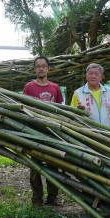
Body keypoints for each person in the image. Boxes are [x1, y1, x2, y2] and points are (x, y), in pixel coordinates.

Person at [23, 56, 64, 207]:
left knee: (54, 164)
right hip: (34, 131)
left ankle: (53, 197)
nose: (41, 68)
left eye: (43, 66)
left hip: (52, 131)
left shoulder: (55, 87)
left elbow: (61, 109)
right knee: (35, 166)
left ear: (48, 68)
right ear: (34, 69)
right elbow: (24, 109)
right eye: (38, 66)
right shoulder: (28, 87)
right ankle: (37, 198)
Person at [70, 63, 110, 127]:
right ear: (86, 76)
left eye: (96, 73)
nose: (93, 76)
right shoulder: (78, 93)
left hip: (108, 132)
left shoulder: (109, 92)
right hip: (87, 133)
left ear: (101, 77)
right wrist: (79, 111)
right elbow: (72, 116)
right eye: (90, 73)